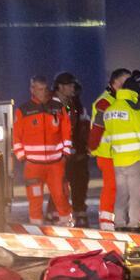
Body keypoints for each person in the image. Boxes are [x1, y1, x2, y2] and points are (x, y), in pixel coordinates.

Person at [91, 72, 140, 231]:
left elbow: (107, 132)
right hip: (132, 158)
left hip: (117, 158)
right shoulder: (132, 109)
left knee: (120, 194)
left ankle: (118, 222)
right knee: (136, 194)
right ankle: (133, 224)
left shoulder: (110, 108)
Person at [14, 76, 73, 225]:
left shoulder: (58, 108)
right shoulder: (23, 110)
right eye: (40, 89)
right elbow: (16, 136)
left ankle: (67, 222)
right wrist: (22, 157)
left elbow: (66, 131)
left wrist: (65, 154)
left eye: (45, 89)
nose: (43, 92)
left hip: (55, 163)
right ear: (32, 90)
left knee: (60, 194)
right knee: (35, 198)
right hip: (33, 165)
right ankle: (36, 226)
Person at [52, 71, 93, 225]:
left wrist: (86, 145)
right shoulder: (51, 106)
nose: (72, 89)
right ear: (60, 87)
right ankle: (56, 214)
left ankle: (79, 212)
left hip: (78, 153)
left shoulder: (76, 105)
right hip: (59, 154)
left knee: (80, 183)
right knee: (59, 186)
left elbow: (84, 126)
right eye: (69, 86)